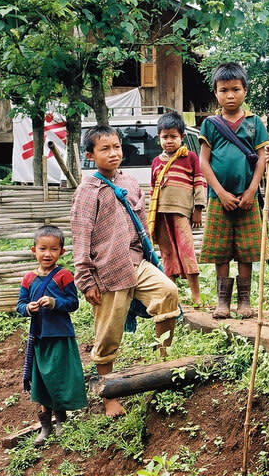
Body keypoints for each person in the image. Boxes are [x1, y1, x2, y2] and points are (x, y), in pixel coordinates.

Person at [71, 125, 181, 417]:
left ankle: (163, 364)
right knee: (107, 335)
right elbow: (81, 237)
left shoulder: (130, 182)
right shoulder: (87, 191)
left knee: (168, 292)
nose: (113, 153)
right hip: (107, 272)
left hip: (136, 261)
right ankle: (109, 396)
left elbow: (142, 224)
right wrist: (86, 279)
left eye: (117, 147)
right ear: (90, 155)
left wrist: (151, 255)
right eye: (105, 149)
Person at [198, 62, 269, 319]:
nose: (230, 95)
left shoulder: (254, 123)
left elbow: (262, 159)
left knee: (247, 250)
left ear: (245, 91)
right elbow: (203, 161)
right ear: (216, 93)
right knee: (221, 251)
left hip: (247, 197)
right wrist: (220, 192)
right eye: (224, 90)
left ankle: (245, 302)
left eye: (235, 89)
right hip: (219, 198)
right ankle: (222, 303)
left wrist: (252, 191)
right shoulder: (210, 124)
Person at [16, 225, 87, 446]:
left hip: (60, 335)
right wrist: (29, 308)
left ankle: (60, 420)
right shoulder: (28, 279)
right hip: (39, 337)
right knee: (42, 381)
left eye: (54, 249)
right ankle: (45, 425)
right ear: (33, 250)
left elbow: (74, 303)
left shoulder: (64, 275)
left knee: (58, 377)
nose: (48, 254)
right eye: (43, 249)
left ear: (62, 252)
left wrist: (55, 303)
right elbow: (19, 305)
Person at [149, 111, 207, 305]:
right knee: (167, 254)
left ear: (182, 137)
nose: (169, 141)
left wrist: (198, 208)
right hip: (161, 214)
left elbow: (199, 182)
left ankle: (196, 296)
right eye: (165, 137)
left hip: (182, 212)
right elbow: (152, 189)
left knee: (186, 251)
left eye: (173, 136)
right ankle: (173, 297)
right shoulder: (156, 162)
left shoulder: (190, 157)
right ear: (159, 138)